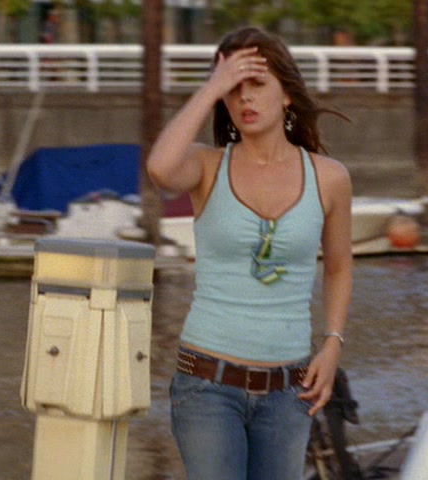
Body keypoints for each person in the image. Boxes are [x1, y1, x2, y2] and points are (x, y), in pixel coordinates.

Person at [146, 27, 353, 479]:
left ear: (287, 94)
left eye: (256, 84)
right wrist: (211, 87)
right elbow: (159, 167)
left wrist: (332, 343)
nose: (244, 98)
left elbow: (338, 267)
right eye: (233, 88)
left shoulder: (330, 178)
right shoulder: (207, 166)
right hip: (207, 385)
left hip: (289, 391)